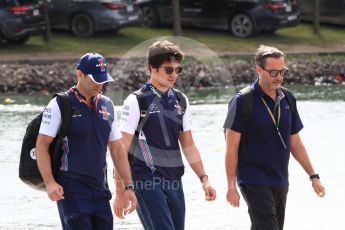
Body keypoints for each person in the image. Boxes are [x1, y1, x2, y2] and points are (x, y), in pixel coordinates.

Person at [114, 39, 217, 229]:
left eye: (177, 70)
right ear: (152, 68)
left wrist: (204, 179)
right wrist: (121, 192)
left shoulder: (180, 100)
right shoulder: (136, 101)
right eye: (168, 70)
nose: (174, 75)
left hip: (174, 180)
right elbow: (120, 149)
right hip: (146, 181)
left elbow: (189, 145)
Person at [224, 45, 326, 230]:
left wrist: (313, 176)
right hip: (252, 179)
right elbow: (231, 148)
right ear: (259, 70)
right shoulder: (242, 101)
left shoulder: (288, 98)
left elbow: (295, 142)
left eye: (282, 71)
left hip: (280, 179)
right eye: (273, 72)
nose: (279, 77)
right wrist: (231, 186)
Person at [36, 53, 137, 230]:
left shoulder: (107, 105)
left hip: (100, 189)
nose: (100, 85)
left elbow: (117, 149)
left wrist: (128, 186)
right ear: (80, 74)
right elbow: (41, 145)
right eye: (95, 80)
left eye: (103, 80)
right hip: (72, 189)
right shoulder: (60, 104)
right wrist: (50, 182)